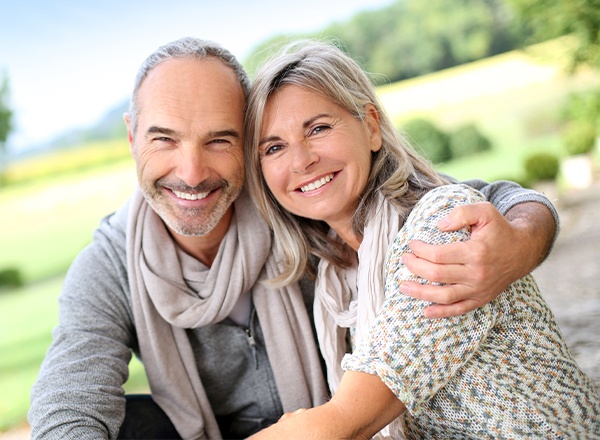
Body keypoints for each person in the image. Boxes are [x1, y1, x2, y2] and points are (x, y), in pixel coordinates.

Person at [28, 37, 559, 440]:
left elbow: (480, 200)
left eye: (219, 140)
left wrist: (521, 239)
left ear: (246, 144)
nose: (191, 172)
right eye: (164, 138)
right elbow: (69, 400)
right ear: (131, 136)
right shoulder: (112, 262)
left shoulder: (294, 208)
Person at [244, 40, 600, 438]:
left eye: (319, 128)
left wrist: (529, 228)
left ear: (372, 127)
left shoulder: (441, 227)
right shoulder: (334, 276)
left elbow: (344, 422)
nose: (300, 160)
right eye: (274, 147)